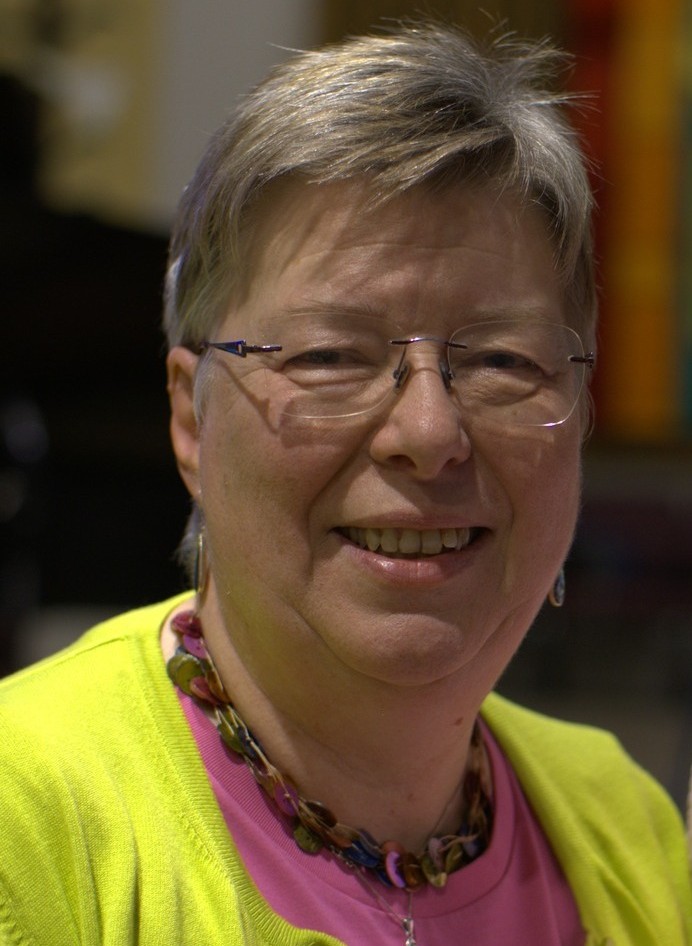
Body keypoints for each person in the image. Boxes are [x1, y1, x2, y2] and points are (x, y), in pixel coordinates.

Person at [0, 21, 690, 946]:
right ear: (191, 419)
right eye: (329, 355)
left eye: (500, 359)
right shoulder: (27, 813)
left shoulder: (626, 822)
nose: (429, 432)